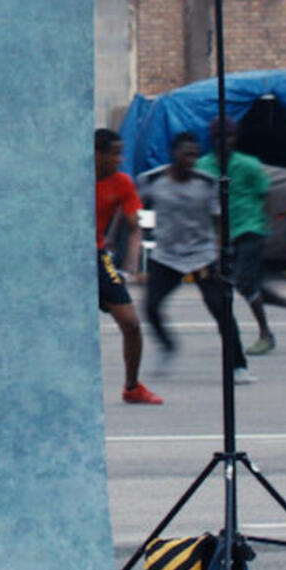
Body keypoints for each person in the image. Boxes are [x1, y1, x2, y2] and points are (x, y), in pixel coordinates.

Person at [139, 131, 253, 384]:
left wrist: (221, 252)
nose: (190, 160)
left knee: (221, 310)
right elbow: (136, 209)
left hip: (201, 255)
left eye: (194, 155)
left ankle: (239, 365)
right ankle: (168, 346)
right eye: (186, 154)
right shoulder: (151, 180)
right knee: (150, 306)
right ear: (173, 154)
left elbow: (218, 220)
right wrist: (140, 244)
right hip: (166, 256)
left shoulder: (206, 183)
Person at [196, 116, 286, 354]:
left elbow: (265, 194)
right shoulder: (204, 166)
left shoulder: (248, 165)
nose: (223, 142)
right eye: (218, 137)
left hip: (249, 228)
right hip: (222, 233)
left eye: (227, 136)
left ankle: (266, 334)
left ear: (235, 138)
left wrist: (263, 222)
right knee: (250, 285)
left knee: (244, 281)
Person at [95, 128, 162, 404]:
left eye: (120, 153)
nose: (119, 159)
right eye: (114, 154)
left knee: (131, 324)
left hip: (97, 257)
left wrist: (131, 264)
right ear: (95, 154)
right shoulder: (72, 176)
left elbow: (134, 227)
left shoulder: (122, 182)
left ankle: (132, 387)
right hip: (63, 261)